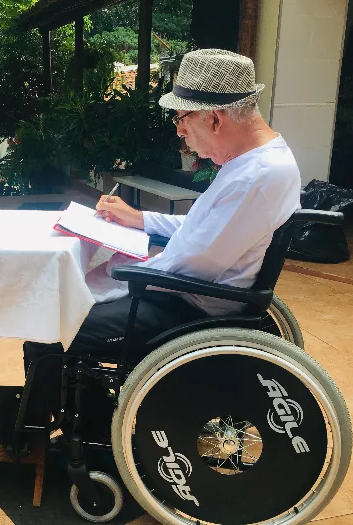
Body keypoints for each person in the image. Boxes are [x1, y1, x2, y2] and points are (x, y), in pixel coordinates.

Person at [22, 49, 301, 432]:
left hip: (190, 305)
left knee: (49, 325)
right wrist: (138, 219)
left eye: (182, 118)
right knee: (67, 301)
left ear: (215, 118)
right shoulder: (253, 163)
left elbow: (197, 261)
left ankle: (36, 435)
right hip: (189, 292)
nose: (179, 131)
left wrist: (124, 270)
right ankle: (83, 420)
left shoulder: (258, 175)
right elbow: (202, 229)